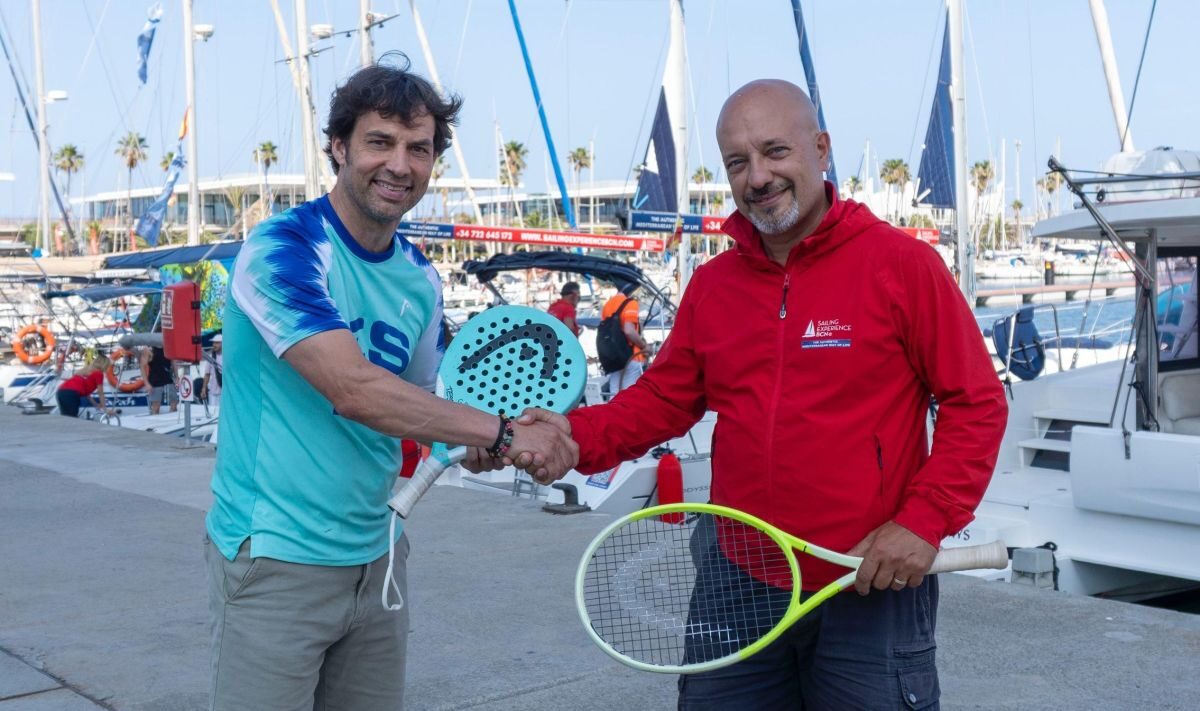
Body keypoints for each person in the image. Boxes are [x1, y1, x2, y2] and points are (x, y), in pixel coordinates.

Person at [514, 79, 1007, 709]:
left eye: (776, 151)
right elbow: (662, 399)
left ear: (820, 149)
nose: (758, 177)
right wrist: (572, 436)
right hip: (738, 574)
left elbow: (976, 403)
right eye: (738, 162)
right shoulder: (714, 284)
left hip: (867, 578)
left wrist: (922, 522)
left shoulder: (902, 265)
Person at [203, 54, 576, 711]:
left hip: (379, 554)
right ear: (339, 147)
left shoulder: (420, 278)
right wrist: (502, 431)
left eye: (419, 148)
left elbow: (428, 407)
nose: (400, 165)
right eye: (380, 142)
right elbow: (353, 388)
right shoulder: (282, 249)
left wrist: (480, 445)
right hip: (276, 558)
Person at [600, 281, 650, 394]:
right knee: (629, 395)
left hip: (614, 358)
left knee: (614, 393)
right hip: (631, 357)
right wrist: (644, 347)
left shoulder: (608, 304)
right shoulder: (630, 303)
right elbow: (629, 331)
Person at [140, 345, 178, 414]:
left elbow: (174, 362)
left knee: (174, 404)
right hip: (155, 381)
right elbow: (142, 366)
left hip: (168, 379)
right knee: (156, 408)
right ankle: (154, 418)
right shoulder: (148, 349)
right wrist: (147, 384)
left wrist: (177, 377)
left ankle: (171, 419)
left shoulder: (169, 346)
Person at [201, 334, 222, 409]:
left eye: (217, 343)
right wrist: (204, 388)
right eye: (213, 343)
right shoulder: (211, 357)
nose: (214, 345)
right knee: (212, 409)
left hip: (224, 392)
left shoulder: (226, 357)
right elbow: (207, 374)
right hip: (212, 391)